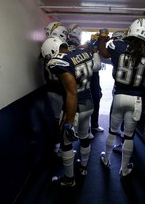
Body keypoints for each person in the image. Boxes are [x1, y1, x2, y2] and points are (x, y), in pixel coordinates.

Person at [98, 18, 145, 180]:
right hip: (137, 100)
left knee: (112, 131)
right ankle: (124, 169)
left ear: (131, 30)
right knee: (129, 135)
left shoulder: (118, 46)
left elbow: (103, 52)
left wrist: (103, 38)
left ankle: (106, 159)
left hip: (119, 96)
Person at [44, 35, 101, 186]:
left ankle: (69, 179)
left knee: (66, 143)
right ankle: (83, 168)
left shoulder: (59, 62)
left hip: (74, 108)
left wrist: (68, 122)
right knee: (84, 137)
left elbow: (71, 93)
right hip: (89, 103)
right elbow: (96, 66)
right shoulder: (82, 53)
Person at [41, 21, 69, 156]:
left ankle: (57, 144)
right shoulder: (59, 51)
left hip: (50, 89)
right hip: (61, 91)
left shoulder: (44, 49)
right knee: (62, 121)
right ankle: (62, 146)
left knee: (55, 119)